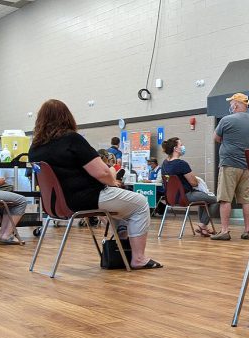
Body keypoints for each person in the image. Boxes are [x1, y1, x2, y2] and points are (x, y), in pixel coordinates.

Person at [28, 99, 162, 269]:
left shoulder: (34, 148)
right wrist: (113, 181)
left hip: (54, 205)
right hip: (86, 198)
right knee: (140, 203)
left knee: (121, 207)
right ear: (66, 117)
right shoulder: (71, 139)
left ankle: (121, 246)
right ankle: (138, 258)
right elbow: (103, 173)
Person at [210, 92, 249, 241]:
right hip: (247, 167)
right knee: (246, 200)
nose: (230, 106)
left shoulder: (226, 120)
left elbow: (216, 138)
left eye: (231, 103)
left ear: (236, 104)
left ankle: (225, 231)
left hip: (229, 165)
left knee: (225, 199)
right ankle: (247, 230)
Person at [160, 137, 218, 236]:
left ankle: (203, 228)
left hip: (171, 198)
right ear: (175, 149)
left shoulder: (164, 164)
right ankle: (203, 225)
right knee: (216, 199)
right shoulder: (181, 164)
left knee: (203, 198)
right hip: (185, 196)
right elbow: (194, 183)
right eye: (181, 145)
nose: (183, 147)